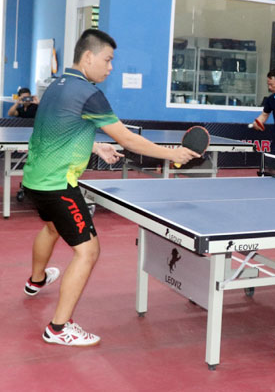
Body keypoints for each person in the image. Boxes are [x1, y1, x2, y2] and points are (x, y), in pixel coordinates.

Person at [22, 29, 199, 347]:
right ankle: (59, 328)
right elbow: (128, 139)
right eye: (108, 59)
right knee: (88, 251)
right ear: (88, 57)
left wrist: (96, 148)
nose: (111, 67)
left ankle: (35, 281)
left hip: (35, 179)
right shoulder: (89, 93)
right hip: (59, 185)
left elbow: (58, 128)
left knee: (51, 228)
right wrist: (172, 154)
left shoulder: (57, 86)